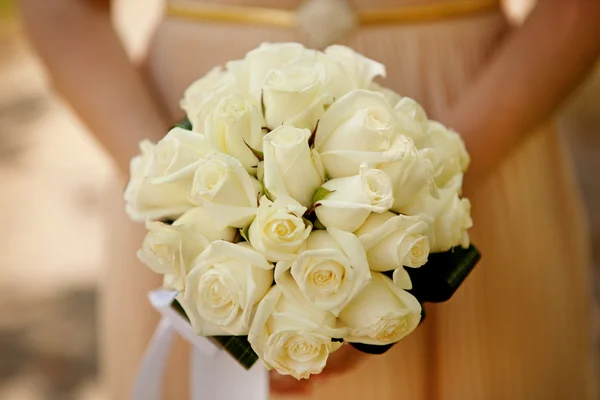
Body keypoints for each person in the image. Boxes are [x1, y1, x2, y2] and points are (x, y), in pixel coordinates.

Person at [19, 0, 600, 398]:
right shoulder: (186, 193)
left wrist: (425, 190)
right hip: (194, 141)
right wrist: (180, 198)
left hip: (488, 118)